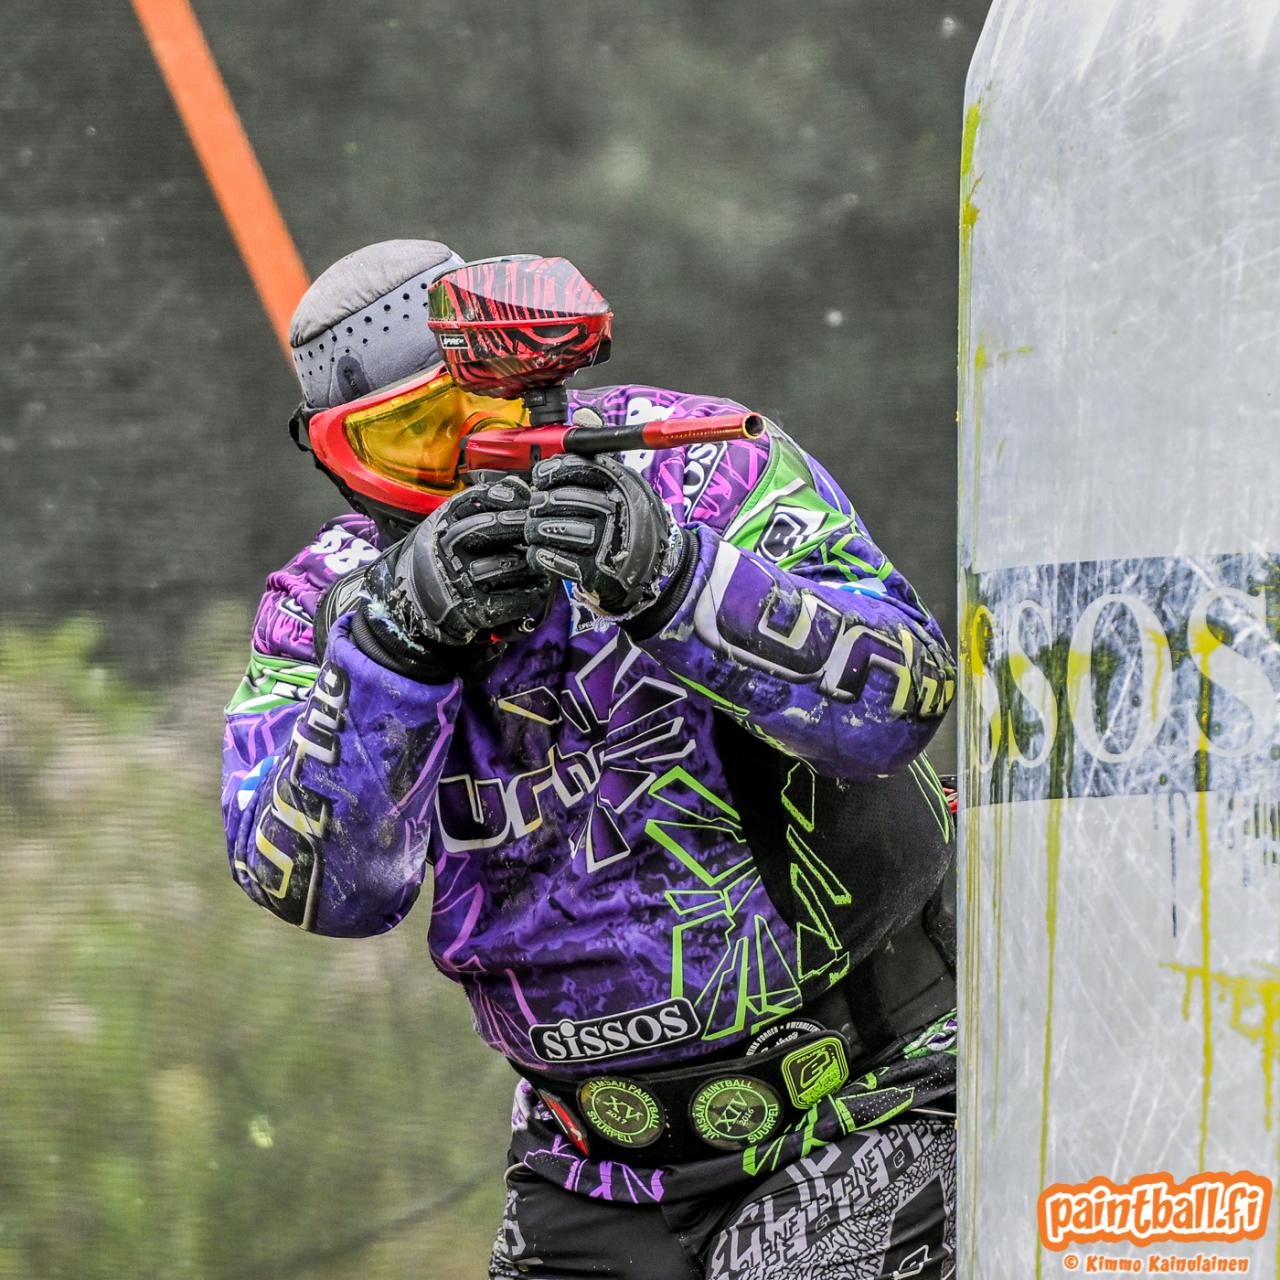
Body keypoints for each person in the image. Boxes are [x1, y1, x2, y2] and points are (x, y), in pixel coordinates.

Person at [222, 238, 960, 1279]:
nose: (465, 467)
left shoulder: (701, 468)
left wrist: (677, 579)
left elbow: (902, 698)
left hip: (866, 1097)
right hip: (590, 1167)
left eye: (474, 414)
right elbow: (319, 887)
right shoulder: (322, 606)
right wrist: (395, 653)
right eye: (410, 441)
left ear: (523, 376)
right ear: (334, 458)